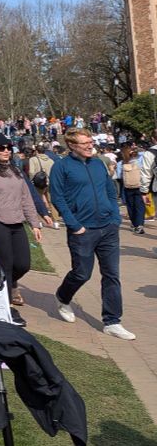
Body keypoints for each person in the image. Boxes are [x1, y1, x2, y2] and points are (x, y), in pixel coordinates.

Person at [51, 129, 135, 340]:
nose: (90, 145)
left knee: (111, 275)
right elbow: (58, 198)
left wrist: (115, 217)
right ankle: (62, 296)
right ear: (72, 145)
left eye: (90, 141)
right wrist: (74, 224)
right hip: (82, 230)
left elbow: (109, 190)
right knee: (82, 273)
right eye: (84, 143)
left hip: (108, 227)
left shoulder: (98, 163)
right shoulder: (61, 167)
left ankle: (112, 321)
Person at [0, 132, 43, 327]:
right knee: (6, 263)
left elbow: (26, 199)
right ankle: (6, 307)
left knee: (23, 264)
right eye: (1, 148)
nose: (6, 151)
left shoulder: (16, 171)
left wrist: (34, 223)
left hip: (16, 221)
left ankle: (8, 283)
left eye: (8, 148)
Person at [117, 144, 145, 235]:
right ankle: (140, 224)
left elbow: (118, 175)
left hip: (127, 187)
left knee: (130, 206)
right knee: (140, 206)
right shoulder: (140, 160)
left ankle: (134, 224)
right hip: (139, 186)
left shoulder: (121, 163)